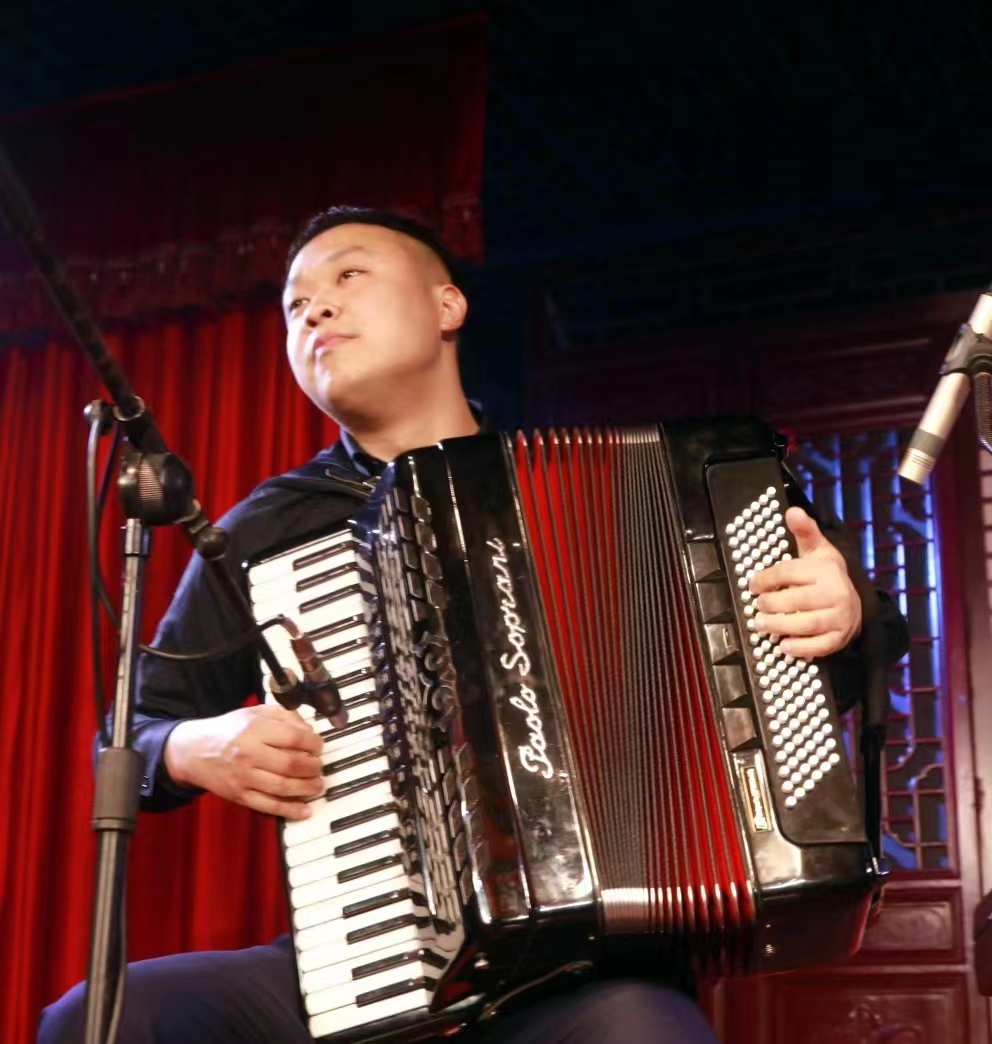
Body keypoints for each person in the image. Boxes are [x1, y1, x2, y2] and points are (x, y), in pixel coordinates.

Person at [39, 207, 910, 1044]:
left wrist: (844, 614)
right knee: (100, 1019)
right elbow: (132, 732)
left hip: (587, 976)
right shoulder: (267, 530)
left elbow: (852, 653)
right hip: (367, 962)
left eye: (348, 277)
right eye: (295, 305)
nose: (316, 310)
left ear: (447, 305)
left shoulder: (621, 496)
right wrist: (194, 746)